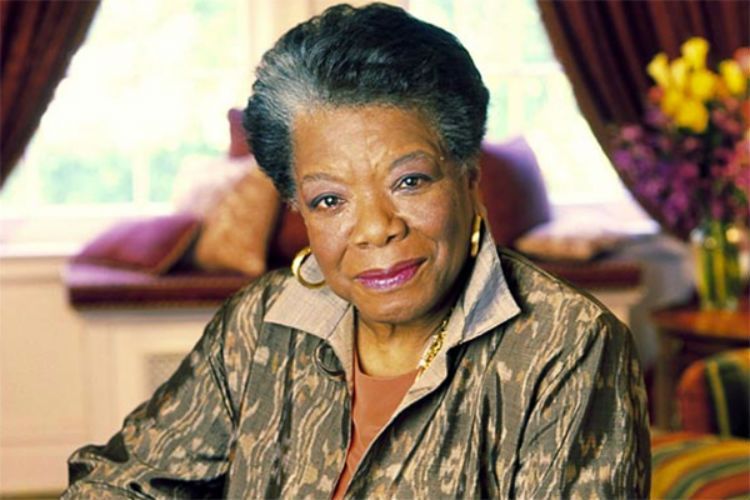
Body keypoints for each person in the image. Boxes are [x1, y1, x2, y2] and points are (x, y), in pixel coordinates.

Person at [64, 3, 650, 498]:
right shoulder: (261, 322)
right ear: (298, 208)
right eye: (329, 200)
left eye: (410, 181)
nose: (375, 229)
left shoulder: (567, 345)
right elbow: (119, 482)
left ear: (469, 177)